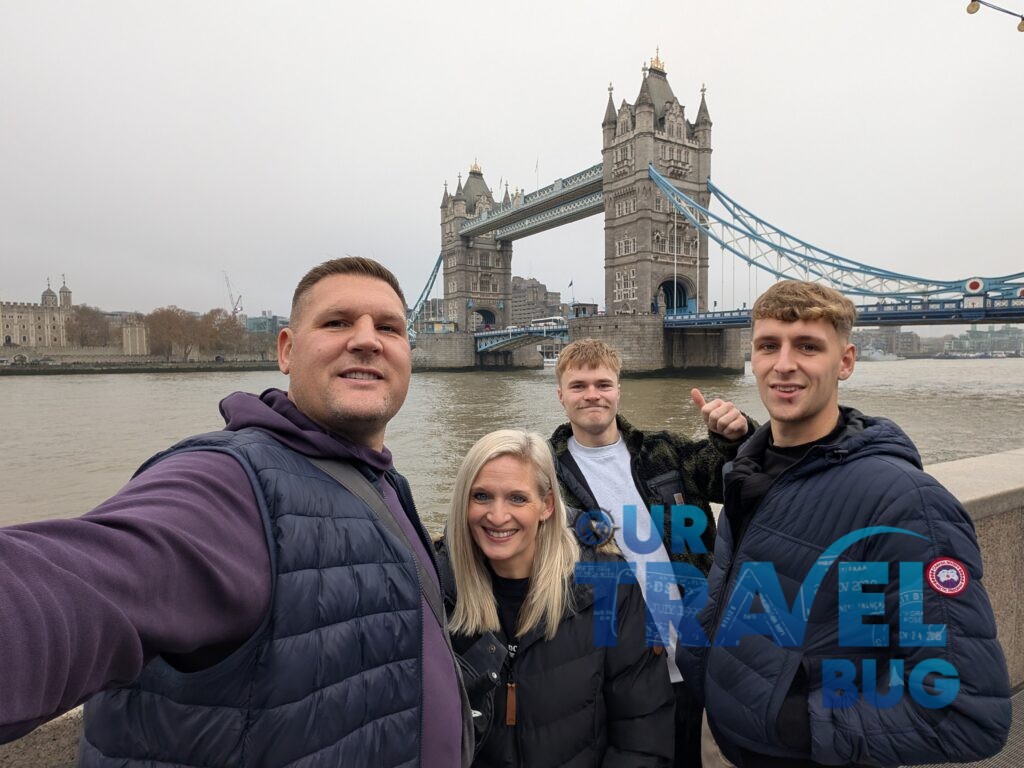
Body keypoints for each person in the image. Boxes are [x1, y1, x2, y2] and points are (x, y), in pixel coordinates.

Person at [0, 257, 472, 767]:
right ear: (287, 351)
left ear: (409, 353)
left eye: (389, 327)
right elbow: (65, 588)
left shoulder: (382, 480)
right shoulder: (229, 484)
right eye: (337, 322)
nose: (366, 339)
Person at [680, 280, 1011, 767]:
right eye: (769, 346)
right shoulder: (747, 468)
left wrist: (796, 725)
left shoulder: (905, 504)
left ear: (847, 361)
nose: (784, 364)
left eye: (808, 346)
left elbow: (966, 711)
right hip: (723, 739)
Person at [548, 338, 754, 768]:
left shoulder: (664, 451)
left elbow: (739, 483)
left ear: (618, 390)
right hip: (610, 668)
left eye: (603, 383)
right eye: (579, 385)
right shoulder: (543, 472)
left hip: (694, 657)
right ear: (561, 395)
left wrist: (738, 437)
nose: (592, 394)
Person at [436, 429, 674, 767]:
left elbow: (643, 728)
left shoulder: (609, 587)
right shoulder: (437, 588)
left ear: (546, 505)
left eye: (517, 498)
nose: (497, 516)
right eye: (481, 496)